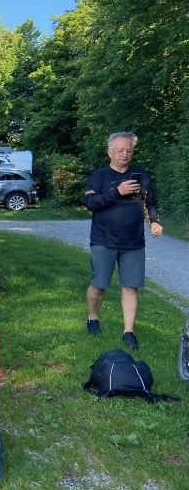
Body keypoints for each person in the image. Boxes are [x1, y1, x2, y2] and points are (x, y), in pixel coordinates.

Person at [84, 131, 163, 350]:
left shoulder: (141, 174)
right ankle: (92, 318)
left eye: (129, 150)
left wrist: (154, 221)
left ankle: (129, 332)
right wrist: (117, 192)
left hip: (134, 242)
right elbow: (90, 202)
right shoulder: (99, 177)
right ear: (110, 152)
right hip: (103, 239)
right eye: (120, 150)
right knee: (99, 285)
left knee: (131, 287)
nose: (124, 154)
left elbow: (151, 202)